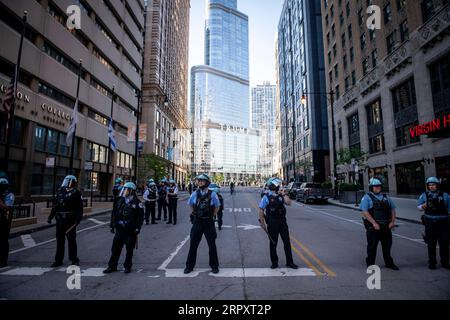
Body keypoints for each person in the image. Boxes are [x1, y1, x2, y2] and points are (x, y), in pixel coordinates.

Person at [104, 182, 144, 274]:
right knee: (115, 248)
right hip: (120, 228)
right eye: (124, 189)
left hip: (130, 230)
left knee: (129, 249)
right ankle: (112, 266)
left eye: (126, 189)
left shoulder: (137, 203)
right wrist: (112, 225)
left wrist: (138, 228)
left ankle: (127, 266)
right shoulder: (119, 201)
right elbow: (114, 214)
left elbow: (140, 217)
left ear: (131, 191)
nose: (124, 191)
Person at [258, 178, 298, 269]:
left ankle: (290, 262)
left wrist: (284, 194)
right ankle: (274, 262)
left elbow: (289, 203)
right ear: (273, 186)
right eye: (278, 185)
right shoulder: (266, 197)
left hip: (282, 222)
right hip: (272, 222)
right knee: (273, 243)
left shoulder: (281, 195)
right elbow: (261, 210)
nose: (279, 186)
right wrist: (263, 223)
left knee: (287, 242)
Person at [360, 177, 399, 270]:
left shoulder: (386, 197)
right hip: (373, 227)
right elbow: (365, 212)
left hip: (386, 226)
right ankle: (370, 264)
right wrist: (374, 223)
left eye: (379, 186)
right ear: (371, 187)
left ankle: (389, 263)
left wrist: (392, 222)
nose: (377, 188)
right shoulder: (367, 197)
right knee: (372, 247)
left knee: (387, 247)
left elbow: (393, 210)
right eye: (375, 186)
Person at [184, 174, 221, 274]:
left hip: (208, 222)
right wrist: (194, 213)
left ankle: (214, 266)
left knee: (212, 245)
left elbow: (217, 206)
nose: (200, 182)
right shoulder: (195, 193)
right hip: (198, 222)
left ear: (207, 182)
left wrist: (211, 216)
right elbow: (191, 204)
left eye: (202, 181)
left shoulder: (212, 194)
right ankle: (189, 266)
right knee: (193, 245)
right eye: (199, 180)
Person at [48, 175, 83, 267]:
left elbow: (79, 208)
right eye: (67, 180)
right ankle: (58, 260)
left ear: (73, 182)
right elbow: (55, 205)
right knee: (60, 241)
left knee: (71, 240)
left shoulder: (76, 193)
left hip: (70, 220)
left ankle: (74, 259)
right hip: (60, 220)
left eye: (69, 181)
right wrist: (50, 216)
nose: (68, 182)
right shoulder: (60, 191)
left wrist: (78, 219)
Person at [417, 177, 450, 270]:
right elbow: (418, 207)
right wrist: (423, 206)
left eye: (433, 185)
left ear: (437, 185)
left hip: (443, 222)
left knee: (444, 243)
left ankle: (445, 262)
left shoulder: (445, 195)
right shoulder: (424, 195)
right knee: (431, 243)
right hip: (430, 222)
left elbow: (449, 208)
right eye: (430, 185)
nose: (431, 187)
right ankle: (432, 262)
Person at [0, 178, 14, 268]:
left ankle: (3, 260)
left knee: (3, 241)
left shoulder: (9, 195)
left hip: (4, 220)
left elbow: (8, 208)